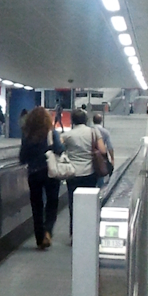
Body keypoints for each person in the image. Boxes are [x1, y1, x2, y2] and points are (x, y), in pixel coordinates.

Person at [19, 106, 64, 249]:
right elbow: (59, 150)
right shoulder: (52, 133)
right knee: (52, 203)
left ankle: (39, 238)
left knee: (36, 205)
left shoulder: (27, 135)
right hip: (50, 172)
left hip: (34, 173)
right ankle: (48, 232)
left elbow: (22, 157)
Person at [60, 108, 108, 236]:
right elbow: (103, 150)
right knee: (88, 204)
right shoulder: (93, 132)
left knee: (73, 204)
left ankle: (74, 234)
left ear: (72, 120)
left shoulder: (67, 135)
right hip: (90, 173)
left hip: (73, 174)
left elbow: (58, 150)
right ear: (86, 120)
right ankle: (87, 233)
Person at [91, 113, 115, 187]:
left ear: (93, 121)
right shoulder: (105, 132)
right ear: (101, 121)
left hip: (90, 155)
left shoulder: (89, 130)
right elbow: (109, 147)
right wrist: (112, 158)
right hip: (100, 156)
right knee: (100, 173)